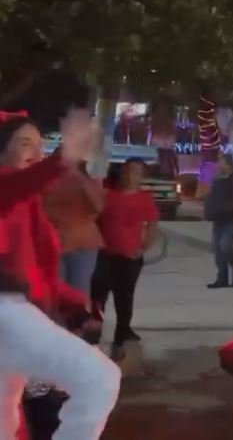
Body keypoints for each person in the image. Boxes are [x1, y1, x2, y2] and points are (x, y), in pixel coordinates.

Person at [0, 110, 121, 440]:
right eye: (25, 143)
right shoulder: (8, 188)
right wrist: (61, 158)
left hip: (15, 310)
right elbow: (13, 186)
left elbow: (38, 274)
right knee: (97, 377)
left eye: (40, 145)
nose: (36, 152)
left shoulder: (30, 204)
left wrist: (75, 308)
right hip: (5, 310)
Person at [92, 158, 158, 355]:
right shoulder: (107, 196)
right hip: (104, 255)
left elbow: (152, 225)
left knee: (124, 300)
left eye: (137, 171)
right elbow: (95, 221)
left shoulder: (144, 198)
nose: (131, 175)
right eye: (128, 170)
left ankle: (120, 340)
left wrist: (144, 247)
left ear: (142, 176)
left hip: (130, 258)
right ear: (122, 172)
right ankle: (93, 339)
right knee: (98, 299)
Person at [43, 162, 104, 295]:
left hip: (83, 245)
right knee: (56, 290)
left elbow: (98, 206)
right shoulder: (47, 185)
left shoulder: (87, 182)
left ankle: (78, 315)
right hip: (56, 244)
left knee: (79, 290)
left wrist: (80, 179)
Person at [203, 155, 233, 288]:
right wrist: (208, 210)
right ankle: (222, 278)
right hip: (218, 219)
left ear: (229, 165)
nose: (219, 166)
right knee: (217, 249)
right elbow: (211, 197)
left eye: (221, 163)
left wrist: (225, 209)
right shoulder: (217, 180)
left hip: (232, 219)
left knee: (225, 246)